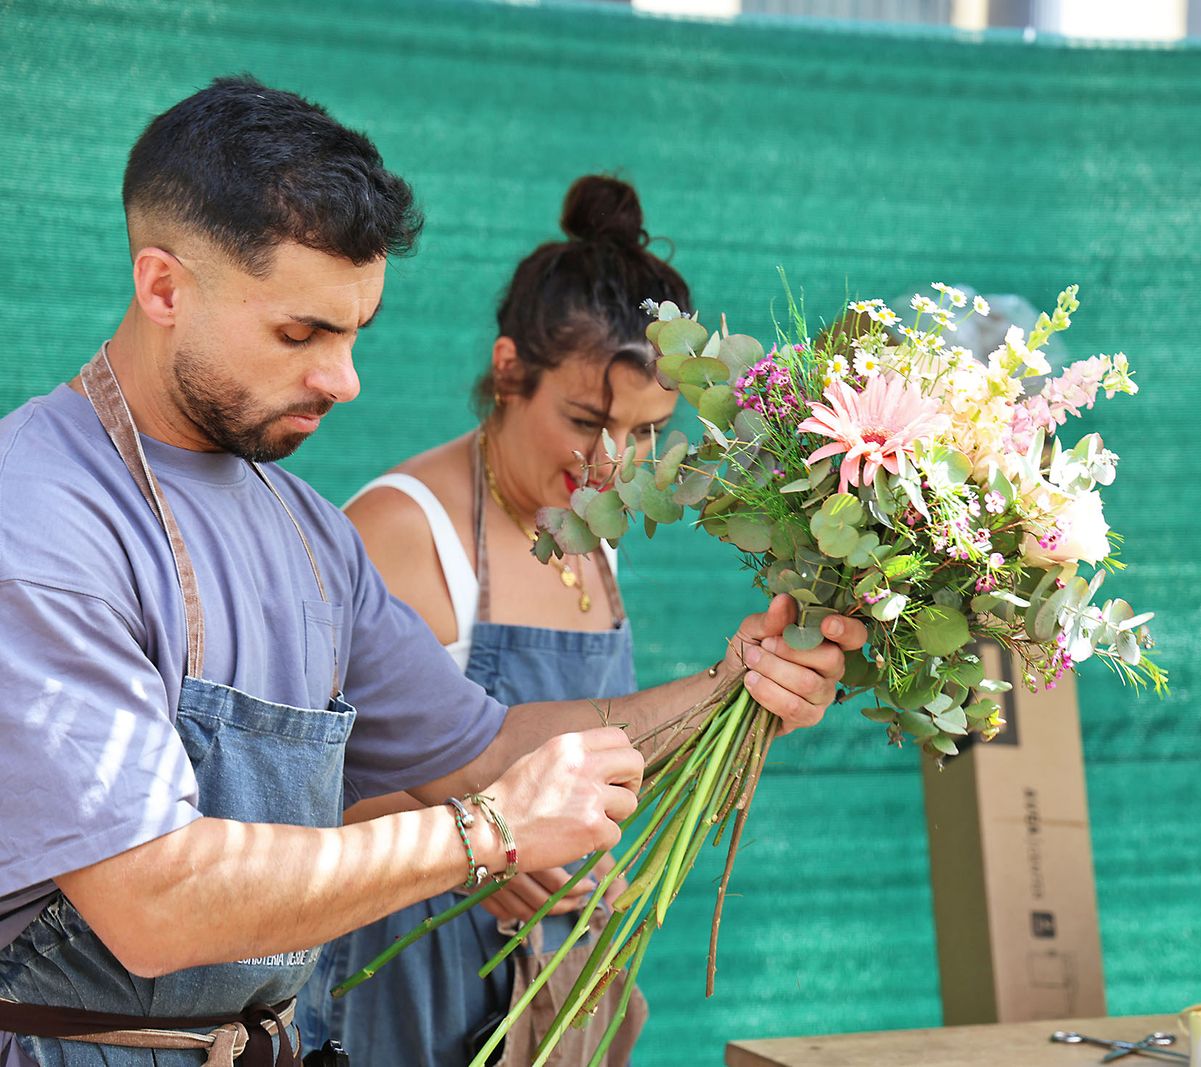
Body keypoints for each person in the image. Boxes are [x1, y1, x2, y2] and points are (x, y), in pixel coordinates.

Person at [0, 77, 864, 1067]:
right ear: (163, 288)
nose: (345, 378)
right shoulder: (43, 520)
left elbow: (482, 744)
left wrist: (733, 683)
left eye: (355, 331)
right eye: (301, 333)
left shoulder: (308, 533)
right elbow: (156, 899)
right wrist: (486, 833)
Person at [299, 174, 692, 1066]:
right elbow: (300, 806)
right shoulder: (403, 531)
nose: (611, 462)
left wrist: (587, 854)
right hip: (400, 982)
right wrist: (484, 841)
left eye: (645, 432)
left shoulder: (592, 530)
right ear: (510, 368)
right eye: (586, 420)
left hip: (555, 982)